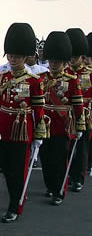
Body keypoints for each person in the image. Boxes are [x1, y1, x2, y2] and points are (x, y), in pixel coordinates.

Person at [0, 23, 46, 222]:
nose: (12, 60)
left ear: (25, 57)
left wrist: (39, 133)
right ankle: (17, 194)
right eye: (10, 56)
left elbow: (38, 109)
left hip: (23, 128)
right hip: (4, 127)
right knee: (5, 165)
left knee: (18, 169)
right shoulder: (3, 77)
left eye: (17, 57)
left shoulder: (34, 80)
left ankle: (15, 205)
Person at [39, 31, 85, 205]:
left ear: (64, 62)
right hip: (44, 124)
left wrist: (79, 125)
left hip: (62, 124)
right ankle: (50, 186)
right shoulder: (42, 78)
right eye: (51, 61)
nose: (52, 64)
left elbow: (78, 105)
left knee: (59, 160)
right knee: (45, 158)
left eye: (56, 62)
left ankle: (59, 190)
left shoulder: (72, 81)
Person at [64, 28, 90, 192]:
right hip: (66, 115)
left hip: (84, 114)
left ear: (81, 56)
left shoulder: (89, 73)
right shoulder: (64, 73)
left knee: (81, 148)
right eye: (71, 56)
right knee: (66, 147)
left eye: (75, 56)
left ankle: (78, 177)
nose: (72, 59)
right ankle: (66, 175)